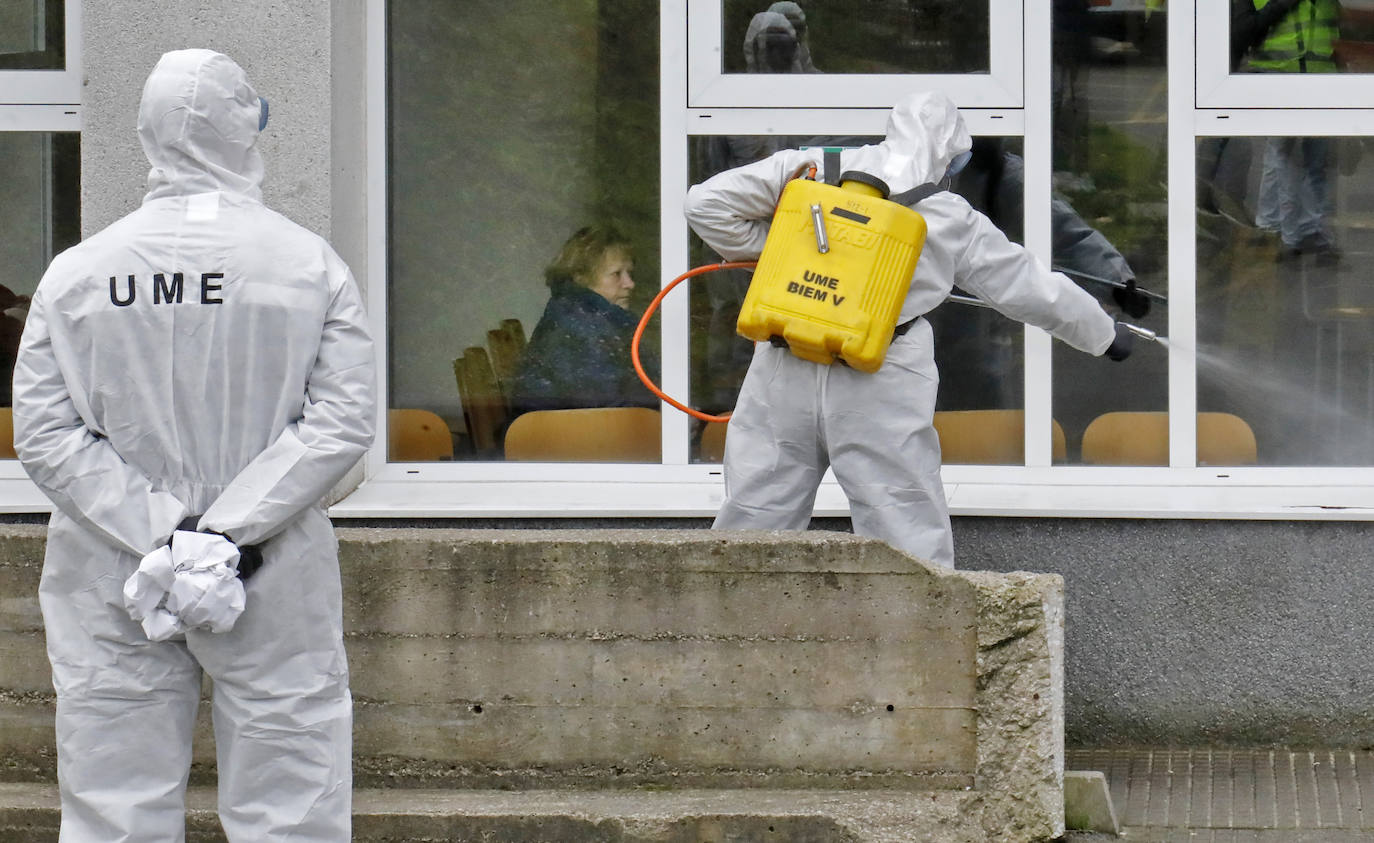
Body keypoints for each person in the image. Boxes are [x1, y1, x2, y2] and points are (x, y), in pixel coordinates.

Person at [12, 49, 375, 840]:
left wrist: (161, 533)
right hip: (269, 561)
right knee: (292, 793)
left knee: (114, 793)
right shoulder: (306, 264)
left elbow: (44, 431)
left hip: (113, 564)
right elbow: (341, 422)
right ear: (246, 128)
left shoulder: (78, 274)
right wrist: (222, 536)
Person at [683, 90, 1134, 568]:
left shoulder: (811, 167)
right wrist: (1105, 335)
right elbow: (1032, 290)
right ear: (949, 154)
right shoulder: (946, 213)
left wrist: (777, 252)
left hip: (784, 360)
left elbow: (704, 204)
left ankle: (725, 632)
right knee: (903, 528)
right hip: (881, 372)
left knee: (755, 515)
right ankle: (918, 640)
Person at [511, 224, 659, 417]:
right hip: (569, 440)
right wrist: (667, 422)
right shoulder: (577, 328)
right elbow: (608, 413)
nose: (630, 284)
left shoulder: (598, 320)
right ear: (581, 278)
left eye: (630, 274)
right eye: (616, 274)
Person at [1233, 0, 1342, 262]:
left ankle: (1303, 230)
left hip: (1320, 79)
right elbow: (1244, 30)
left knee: (1311, 162)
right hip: (1280, 79)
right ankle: (1290, 235)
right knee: (1284, 160)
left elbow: (1333, 29)